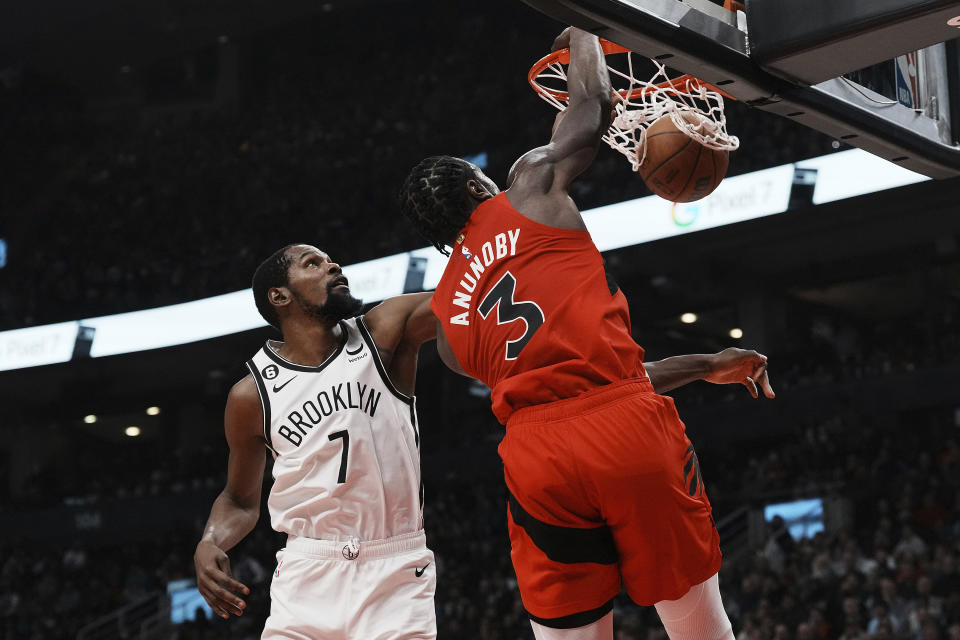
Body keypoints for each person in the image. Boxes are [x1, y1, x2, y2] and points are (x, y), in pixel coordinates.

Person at [399, 26, 774, 640]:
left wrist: (706, 364)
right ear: (475, 188)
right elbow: (592, 105)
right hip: (627, 433)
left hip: (535, 459)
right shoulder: (529, 187)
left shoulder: (447, 327)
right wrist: (583, 30)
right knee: (698, 626)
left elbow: (565, 395)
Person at [193, 244, 438, 639]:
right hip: (307, 574)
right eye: (313, 263)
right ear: (280, 296)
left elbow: (464, 296)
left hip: (394, 565)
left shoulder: (385, 331)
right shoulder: (251, 395)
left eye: (330, 260)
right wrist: (209, 541)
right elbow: (239, 501)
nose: (334, 264)